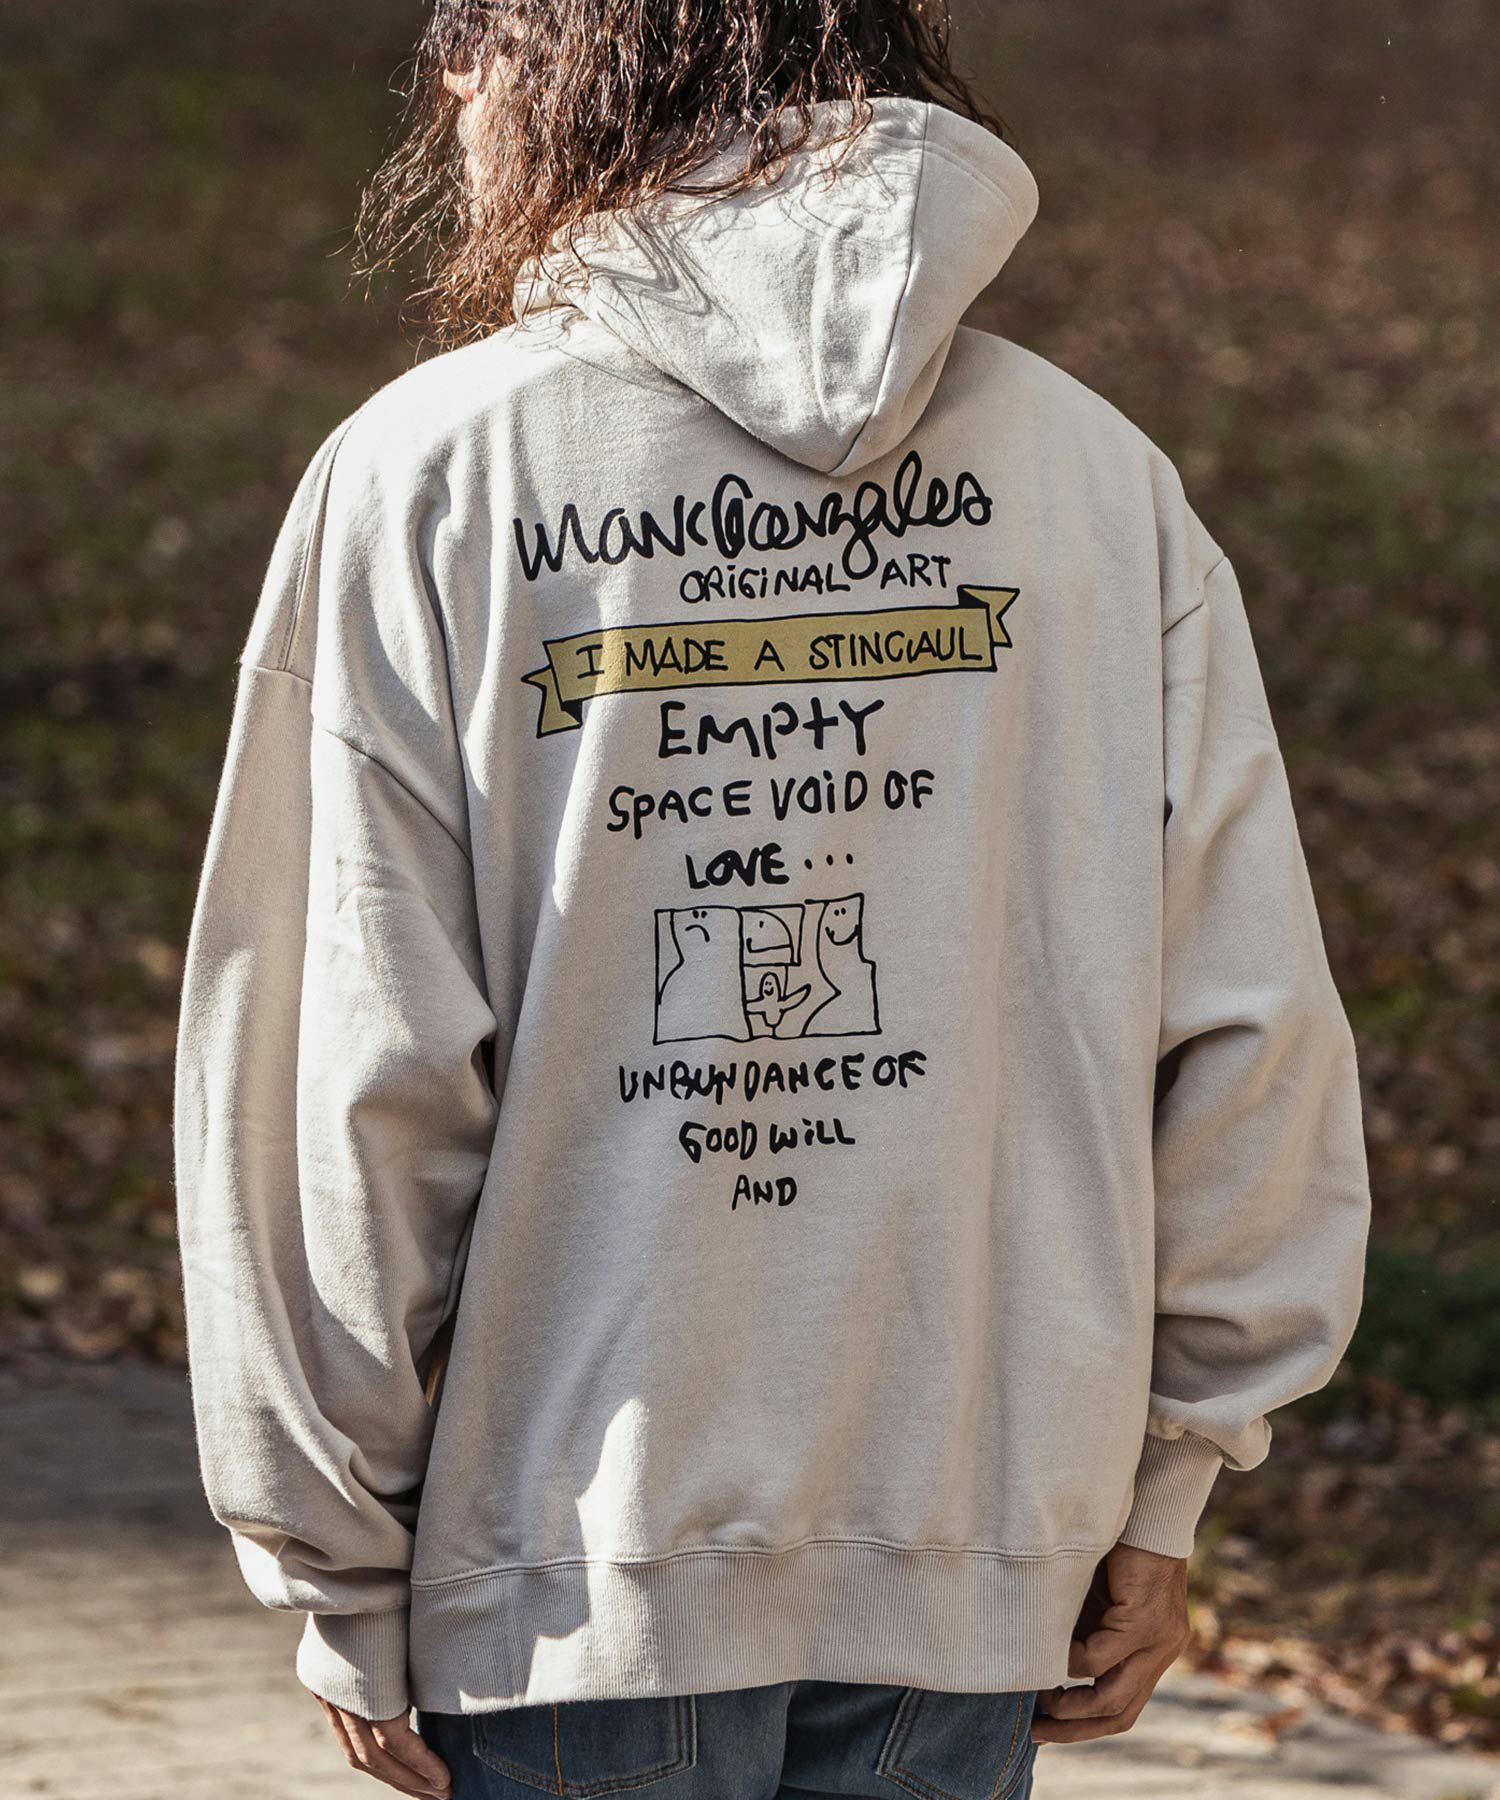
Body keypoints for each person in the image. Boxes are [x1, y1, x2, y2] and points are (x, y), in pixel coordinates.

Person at [171, 1, 1372, 1795]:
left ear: (573, 59)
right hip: (973, 1544)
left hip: (575, 1567)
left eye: (474, 36)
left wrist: (332, 1546)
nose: (449, 84)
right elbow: (1249, 1014)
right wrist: (1170, 1474)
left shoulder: (438, 475)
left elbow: (344, 1061)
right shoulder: (1091, 478)